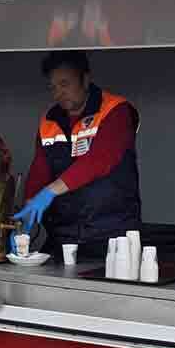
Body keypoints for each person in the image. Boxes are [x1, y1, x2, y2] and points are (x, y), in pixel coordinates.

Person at [15, 50, 141, 257]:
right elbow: (40, 170)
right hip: (64, 236)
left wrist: (49, 192)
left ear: (85, 78)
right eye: (52, 87)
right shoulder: (49, 120)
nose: (58, 93)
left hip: (112, 235)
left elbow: (100, 160)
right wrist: (27, 217)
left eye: (65, 84)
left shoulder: (115, 110)